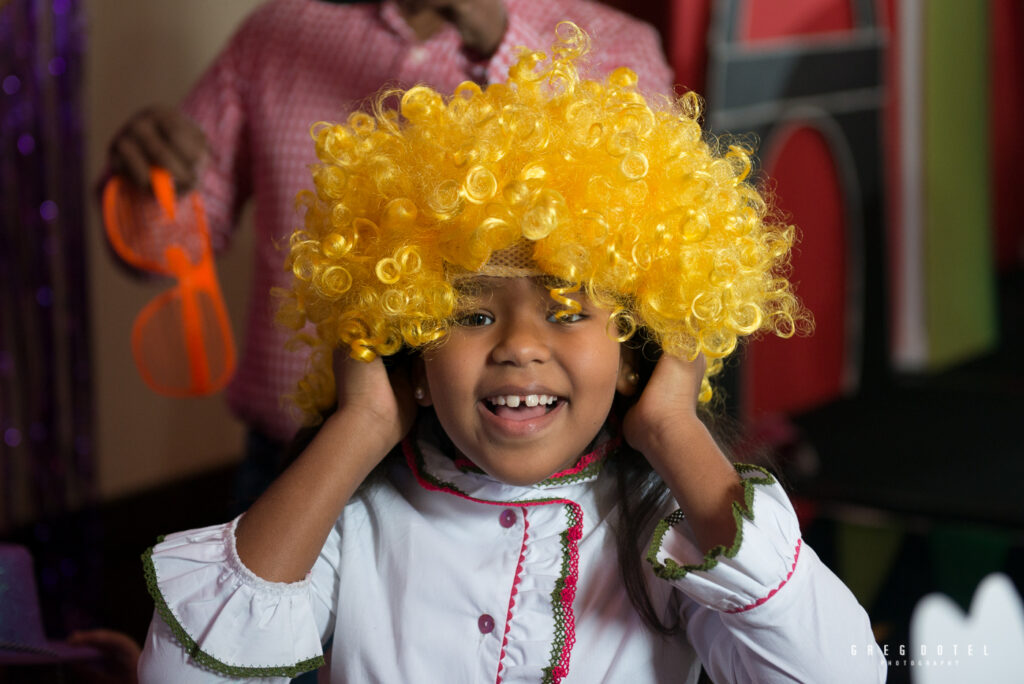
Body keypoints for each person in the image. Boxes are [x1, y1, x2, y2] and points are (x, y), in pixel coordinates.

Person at [136, 25, 886, 683]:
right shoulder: (354, 522)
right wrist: (363, 421)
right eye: (469, 313)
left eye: (567, 309)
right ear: (412, 342)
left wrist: (674, 427)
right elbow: (181, 676)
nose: (521, 346)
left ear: (634, 349)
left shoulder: (676, 528)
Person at [105, 0, 674, 507]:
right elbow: (165, 253)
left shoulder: (611, 40)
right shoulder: (274, 33)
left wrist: (492, 33)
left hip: (528, 477)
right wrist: (142, 186)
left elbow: (649, 248)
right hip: (296, 460)